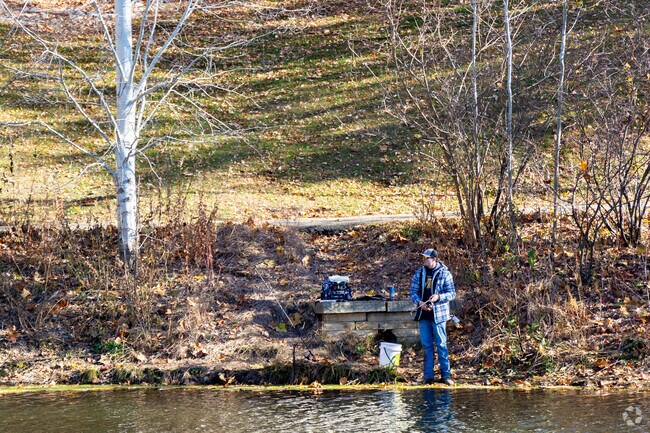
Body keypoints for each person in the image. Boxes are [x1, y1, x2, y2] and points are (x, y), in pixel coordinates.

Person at [410, 248, 456, 385]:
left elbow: (452, 294)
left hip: (439, 316)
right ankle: (428, 376)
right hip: (423, 315)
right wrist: (419, 302)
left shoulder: (445, 274)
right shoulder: (419, 274)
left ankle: (446, 375)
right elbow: (412, 292)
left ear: (434, 259)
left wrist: (438, 297)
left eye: (426, 258)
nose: (424, 260)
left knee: (441, 345)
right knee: (427, 345)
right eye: (423, 258)